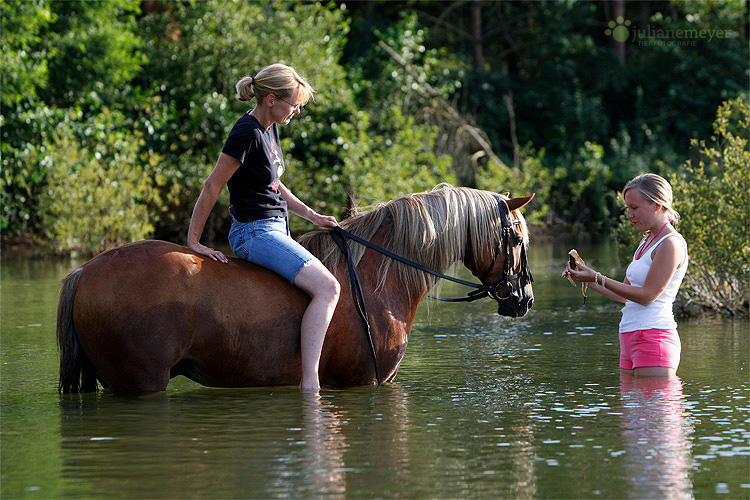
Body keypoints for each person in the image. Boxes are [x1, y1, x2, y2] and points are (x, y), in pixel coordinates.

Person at [187, 63, 340, 392]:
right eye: (293, 104)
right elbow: (212, 185)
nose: (296, 111)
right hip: (254, 233)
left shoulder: (270, 129)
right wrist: (194, 241)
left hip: (276, 229)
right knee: (329, 289)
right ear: (270, 99)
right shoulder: (247, 132)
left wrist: (314, 217)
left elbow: (276, 186)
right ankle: (311, 383)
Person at [564, 173, 688, 379]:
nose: (629, 215)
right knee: (632, 411)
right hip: (630, 337)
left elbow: (647, 296)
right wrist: (584, 278)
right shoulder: (646, 241)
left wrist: (596, 276)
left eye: (634, 208)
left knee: (654, 410)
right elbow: (625, 294)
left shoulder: (670, 244)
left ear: (657, 205)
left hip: (653, 337)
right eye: (627, 208)